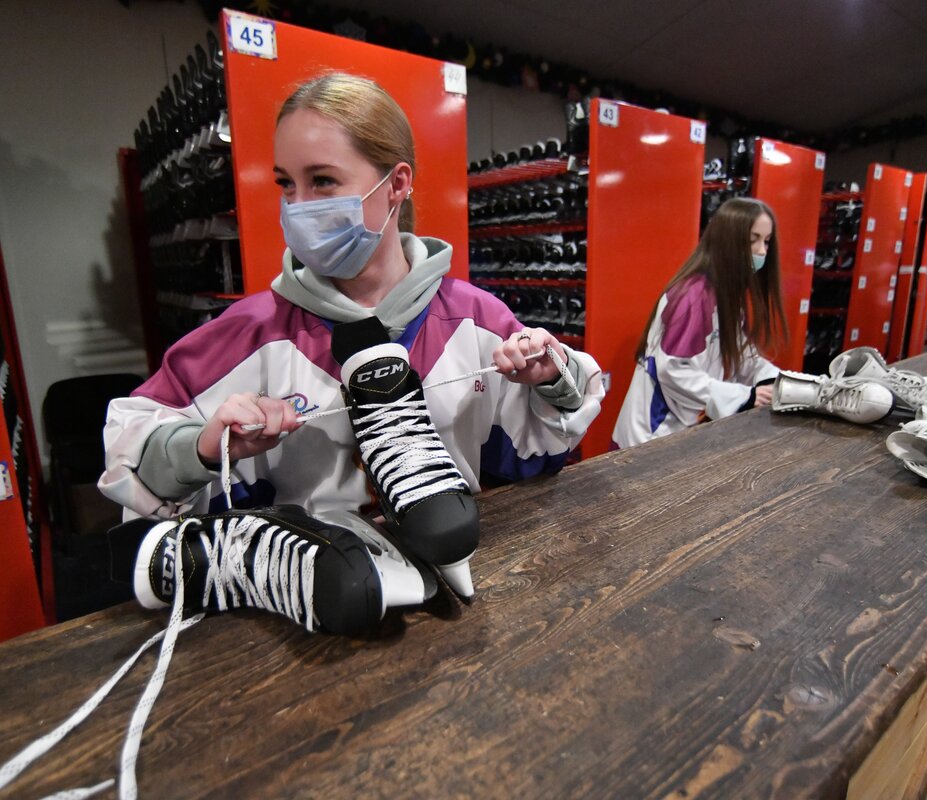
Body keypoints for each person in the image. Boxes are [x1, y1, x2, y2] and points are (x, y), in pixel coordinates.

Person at [99, 72, 604, 521]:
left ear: (396, 184)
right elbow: (134, 444)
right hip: (312, 585)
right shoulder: (250, 333)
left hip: (457, 568)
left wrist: (550, 378)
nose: (297, 206)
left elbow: (535, 450)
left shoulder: (475, 318)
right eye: (286, 185)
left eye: (322, 181)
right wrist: (201, 449)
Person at [612, 197, 786, 448]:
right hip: (653, 434)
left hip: (685, 430)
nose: (762, 251)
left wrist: (780, 382)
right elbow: (673, 371)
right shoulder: (693, 297)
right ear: (728, 240)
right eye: (753, 240)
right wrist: (742, 397)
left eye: (767, 241)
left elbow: (743, 356)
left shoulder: (727, 294)